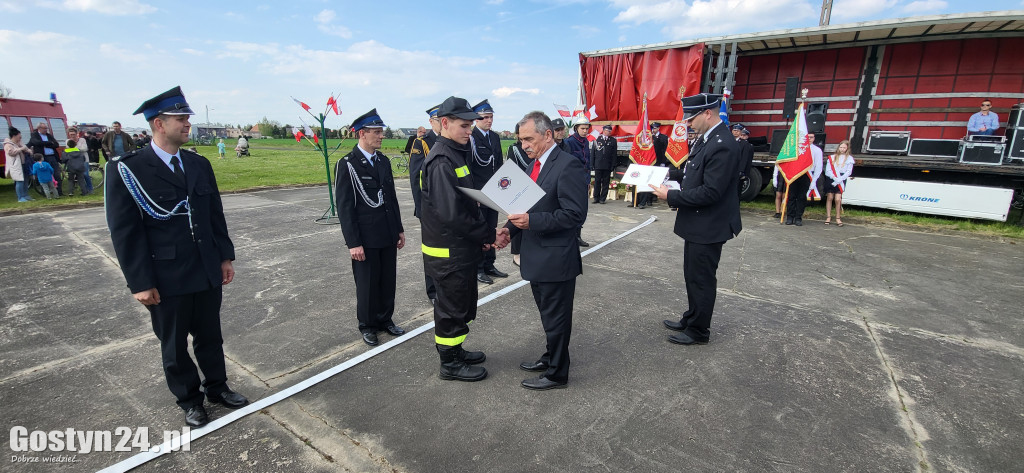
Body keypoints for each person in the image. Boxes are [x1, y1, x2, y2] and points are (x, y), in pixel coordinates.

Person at [105, 86, 248, 428]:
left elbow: (214, 214)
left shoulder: (198, 164)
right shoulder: (129, 169)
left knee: (211, 335)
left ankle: (217, 387)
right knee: (173, 345)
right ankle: (189, 399)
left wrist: (225, 257)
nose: (187, 124)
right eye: (180, 119)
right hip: (166, 275)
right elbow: (125, 231)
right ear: (158, 123)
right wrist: (140, 282)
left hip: (205, 268)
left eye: (186, 118)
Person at [420, 96, 508, 382]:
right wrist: (486, 234)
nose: (469, 130)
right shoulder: (442, 159)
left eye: (471, 125)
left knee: (462, 303)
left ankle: (457, 350)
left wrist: (479, 237)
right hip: (448, 250)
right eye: (463, 125)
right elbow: (452, 214)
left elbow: (467, 202)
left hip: (461, 247)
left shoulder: (457, 153)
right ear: (444, 123)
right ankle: (449, 364)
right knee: (450, 307)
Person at [650, 93, 742, 346]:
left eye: (691, 118)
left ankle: (699, 331)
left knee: (701, 278)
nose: (688, 123)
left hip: (710, 224)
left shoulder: (722, 143)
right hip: (699, 223)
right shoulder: (708, 138)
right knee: (692, 275)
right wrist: (667, 174)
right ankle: (692, 317)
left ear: (708, 114)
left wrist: (672, 196)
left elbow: (712, 192)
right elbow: (695, 173)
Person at [506, 111, 586, 390]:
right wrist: (508, 230)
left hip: (556, 257)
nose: (524, 145)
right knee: (548, 315)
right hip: (536, 255)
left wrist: (531, 222)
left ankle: (557, 374)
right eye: (520, 140)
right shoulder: (533, 166)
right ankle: (551, 356)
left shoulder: (568, 165)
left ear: (548, 134)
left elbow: (575, 215)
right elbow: (525, 207)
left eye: (529, 138)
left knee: (557, 317)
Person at [334, 109, 407, 346]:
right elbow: (345, 207)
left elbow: (391, 199)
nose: (381, 136)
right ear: (362, 134)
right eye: (376, 132)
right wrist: (353, 242)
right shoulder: (347, 164)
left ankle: (385, 319)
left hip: (386, 232)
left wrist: (398, 229)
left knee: (387, 280)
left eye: (381, 132)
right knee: (367, 284)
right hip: (364, 237)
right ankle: (367, 324)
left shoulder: (384, 161)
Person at [469, 99, 508, 284]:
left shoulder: (494, 137)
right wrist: (473, 193)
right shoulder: (471, 137)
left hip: (493, 191)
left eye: (491, 117)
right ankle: (478, 268)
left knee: (492, 228)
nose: (489, 121)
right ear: (477, 119)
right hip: (479, 192)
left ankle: (489, 264)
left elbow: (498, 164)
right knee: (480, 229)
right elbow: (469, 166)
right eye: (485, 117)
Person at [409, 104, 441, 303]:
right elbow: (415, 178)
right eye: (438, 120)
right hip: (430, 209)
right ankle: (433, 291)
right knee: (432, 251)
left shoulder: (454, 141)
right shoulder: (422, 142)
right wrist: (422, 210)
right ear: (431, 122)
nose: (441, 123)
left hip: (447, 208)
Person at [505, 123, 531, 267]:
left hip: (533, 188)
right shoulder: (514, 149)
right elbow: (511, 169)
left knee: (527, 221)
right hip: (519, 188)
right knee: (517, 222)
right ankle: (516, 254)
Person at [563, 119, 592, 246]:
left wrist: (588, 180)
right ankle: (571, 236)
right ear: (576, 128)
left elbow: (588, 162)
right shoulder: (569, 142)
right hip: (573, 179)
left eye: (587, 129)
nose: (585, 131)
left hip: (584, 179)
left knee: (583, 208)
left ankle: (578, 235)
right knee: (573, 207)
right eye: (582, 129)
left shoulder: (586, 142)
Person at [785, 132, 822, 226]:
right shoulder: (797, 148)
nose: (809, 139)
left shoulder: (817, 150)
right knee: (791, 196)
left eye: (811, 137)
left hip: (807, 175)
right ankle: (790, 217)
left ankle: (798, 218)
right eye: (807, 137)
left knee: (801, 197)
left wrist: (814, 180)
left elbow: (818, 166)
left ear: (814, 138)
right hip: (795, 174)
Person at [636, 122, 668, 209]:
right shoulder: (649, 137)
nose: (653, 130)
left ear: (658, 128)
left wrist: (663, 162)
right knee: (647, 180)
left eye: (655, 128)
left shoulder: (663, 137)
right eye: (652, 128)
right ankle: (645, 201)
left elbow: (664, 151)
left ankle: (650, 199)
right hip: (649, 162)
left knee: (654, 181)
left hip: (658, 161)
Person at [28, 122, 65, 197]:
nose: (46, 130)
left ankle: (59, 192)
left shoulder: (49, 135)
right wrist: (49, 143)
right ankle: (45, 193)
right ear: (39, 128)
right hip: (42, 158)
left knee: (56, 174)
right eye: (44, 128)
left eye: (46, 128)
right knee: (42, 176)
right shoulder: (34, 135)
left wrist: (46, 144)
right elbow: (36, 142)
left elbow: (56, 144)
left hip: (52, 157)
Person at [824, 139, 854, 226]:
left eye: (844, 147)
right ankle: (828, 216)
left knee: (838, 199)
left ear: (847, 148)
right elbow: (828, 170)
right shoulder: (832, 157)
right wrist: (834, 177)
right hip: (832, 178)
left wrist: (840, 179)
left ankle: (838, 217)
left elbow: (849, 172)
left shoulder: (849, 159)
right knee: (829, 198)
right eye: (841, 147)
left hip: (841, 179)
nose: (842, 149)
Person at [4, 127, 33, 202]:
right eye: (19, 137)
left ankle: (26, 195)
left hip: (24, 164)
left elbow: (26, 149)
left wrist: (29, 151)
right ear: (14, 136)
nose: (20, 138)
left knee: (26, 180)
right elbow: (11, 153)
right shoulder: (8, 144)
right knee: (19, 181)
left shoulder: (20, 143)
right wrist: (21, 149)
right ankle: (20, 197)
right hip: (16, 166)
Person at [591, 124, 616, 204]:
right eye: (606, 131)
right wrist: (592, 164)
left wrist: (613, 165)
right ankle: (596, 197)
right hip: (598, 164)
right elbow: (593, 153)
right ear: (603, 131)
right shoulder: (597, 139)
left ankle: (603, 198)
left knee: (606, 182)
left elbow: (614, 154)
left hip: (607, 165)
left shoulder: (612, 140)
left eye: (609, 131)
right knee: (597, 182)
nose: (607, 132)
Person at [67, 127, 93, 194]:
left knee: (85, 174)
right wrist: (78, 149)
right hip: (74, 161)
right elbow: (68, 150)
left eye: (73, 134)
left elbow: (84, 148)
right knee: (79, 176)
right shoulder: (68, 141)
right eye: (71, 134)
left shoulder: (82, 140)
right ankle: (84, 189)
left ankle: (90, 189)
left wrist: (74, 148)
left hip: (84, 159)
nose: (72, 136)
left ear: (76, 134)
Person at [732, 124, 754, 198]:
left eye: (737, 131)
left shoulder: (744, 143)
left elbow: (744, 158)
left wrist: (741, 171)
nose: (735, 132)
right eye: (734, 130)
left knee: (736, 192)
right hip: (729, 170)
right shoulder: (729, 141)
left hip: (737, 170)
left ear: (740, 132)